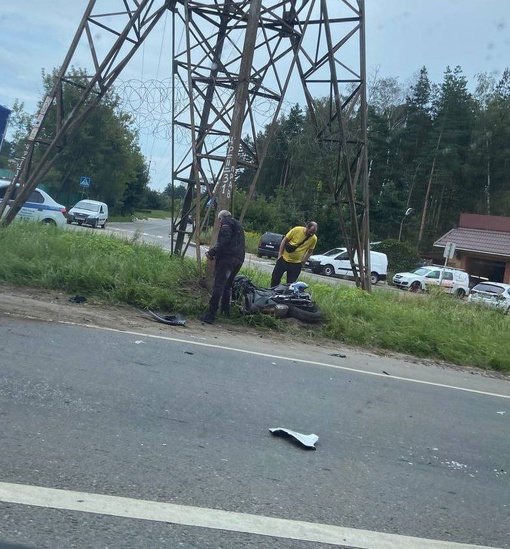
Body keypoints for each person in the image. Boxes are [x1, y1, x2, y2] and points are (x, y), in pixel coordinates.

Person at [200, 210, 245, 324]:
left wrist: (212, 252)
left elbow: (224, 240)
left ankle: (210, 315)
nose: (220, 223)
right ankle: (225, 312)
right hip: (239, 259)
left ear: (221, 218)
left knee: (219, 285)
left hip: (227, 259)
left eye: (219, 221)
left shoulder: (226, 222)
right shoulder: (238, 225)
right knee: (228, 286)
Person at [270, 222, 318, 287]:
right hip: (284, 259)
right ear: (307, 227)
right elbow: (284, 241)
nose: (311, 234)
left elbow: (310, 251)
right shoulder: (296, 230)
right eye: (310, 231)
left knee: (290, 285)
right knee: (275, 279)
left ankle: (285, 296)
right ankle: (272, 294)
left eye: (313, 232)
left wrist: (303, 262)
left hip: (296, 264)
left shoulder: (314, 239)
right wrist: (280, 255)